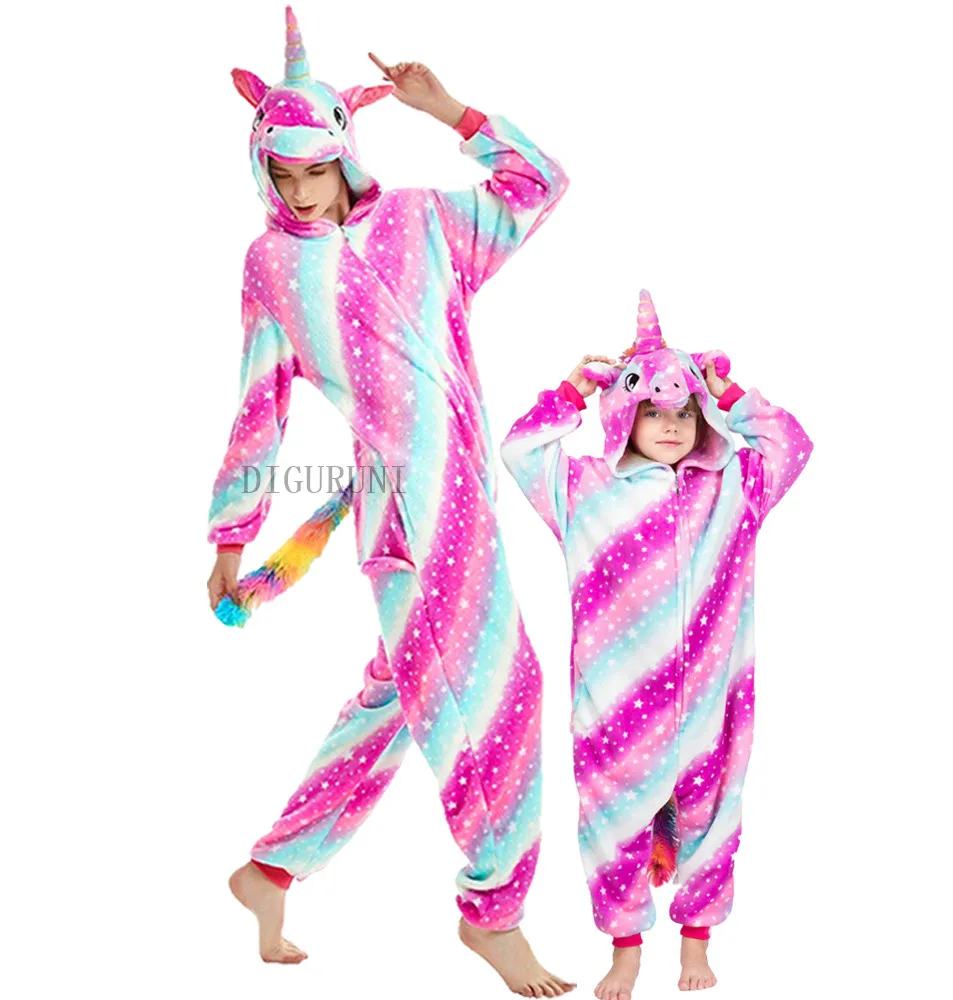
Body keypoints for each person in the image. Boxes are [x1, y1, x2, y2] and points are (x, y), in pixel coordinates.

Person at [206, 9, 573, 995]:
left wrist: (447, 109)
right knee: (501, 693)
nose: (299, 191)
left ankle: (270, 870)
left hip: (467, 499)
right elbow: (259, 404)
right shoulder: (272, 267)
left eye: (314, 169)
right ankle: (493, 912)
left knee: (404, 694)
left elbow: (539, 185)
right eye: (280, 174)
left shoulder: (423, 222)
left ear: (346, 153)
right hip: (405, 517)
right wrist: (232, 538)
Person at [499, 289, 813, 993]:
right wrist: (572, 392)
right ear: (624, 416)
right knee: (613, 826)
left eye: (684, 413)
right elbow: (520, 450)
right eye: (653, 412)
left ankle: (697, 945)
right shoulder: (583, 488)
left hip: (712, 699)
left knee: (713, 815)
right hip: (614, 705)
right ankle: (625, 948)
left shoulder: (735, 486)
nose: (671, 426)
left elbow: (792, 443)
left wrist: (727, 390)